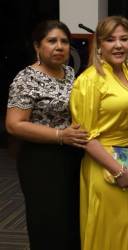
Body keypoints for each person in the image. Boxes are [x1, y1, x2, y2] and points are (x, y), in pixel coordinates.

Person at [69, 16, 128, 250]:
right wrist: (117, 170)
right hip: (105, 164)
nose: (118, 45)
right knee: (113, 232)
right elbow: (85, 136)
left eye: (124, 39)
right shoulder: (89, 81)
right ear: (99, 44)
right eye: (110, 39)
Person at [5, 20, 87, 250]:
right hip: (41, 160)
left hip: (72, 157)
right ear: (37, 47)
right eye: (52, 41)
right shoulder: (26, 79)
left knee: (72, 222)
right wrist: (61, 135)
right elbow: (14, 125)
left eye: (64, 41)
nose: (59, 46)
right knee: (49, 225)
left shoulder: (70, 73)